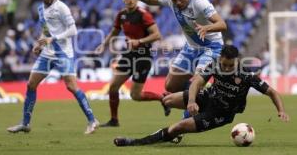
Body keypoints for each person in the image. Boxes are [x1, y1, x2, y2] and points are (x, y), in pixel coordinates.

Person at [113, 45, 290, 146]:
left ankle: (135, 142)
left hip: (221, 113)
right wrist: (191, 101)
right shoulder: (214, 65)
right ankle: (177, 125)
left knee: (178, 127)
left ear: (237, 61)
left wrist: (281, 110)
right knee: (167, 99)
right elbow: (197, 82)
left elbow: (272, 92)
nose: (227, 68)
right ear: (220, 58)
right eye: (224, 64)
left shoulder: (246, 75)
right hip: (208, 97)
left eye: (230, 65)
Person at [124, 0, 227, 117]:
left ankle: (186, 119)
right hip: (192, 47)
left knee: (196, 83)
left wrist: (206, 28)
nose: (178, 2)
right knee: (170, 85)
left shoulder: (200, 2)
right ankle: (203, 94)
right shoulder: (171, 0)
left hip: (211, 47)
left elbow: (222, 24)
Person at [7, 0, 99, 134]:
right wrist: (40, 44)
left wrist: (53, 39)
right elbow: (46, 30)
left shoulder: (61, 8)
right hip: (47, 53)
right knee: (31, 84)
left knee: (71, 86)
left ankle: (92, 120)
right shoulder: (41, 9)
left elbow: (73, 30)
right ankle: (25, 123)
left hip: (63, 53)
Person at [95, 0, 170, 127]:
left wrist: (139, 41)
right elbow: (114, 32)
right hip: (129, 55)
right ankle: (114, 120)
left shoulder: (143, 15)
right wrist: (103, 45)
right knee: (113, 87)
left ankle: (161, 98)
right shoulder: (121, 15)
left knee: (135, 96)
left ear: (137, 0)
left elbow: (157, 35)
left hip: (143, 57)